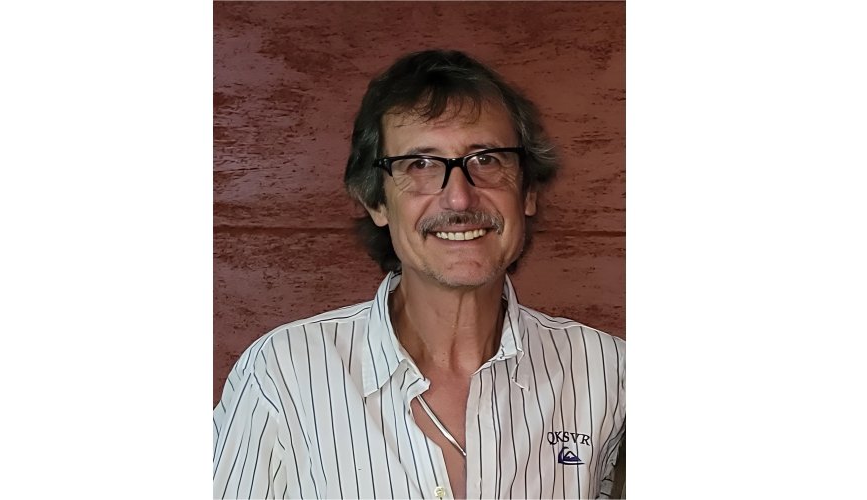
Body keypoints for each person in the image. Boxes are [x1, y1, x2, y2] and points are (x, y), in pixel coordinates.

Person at [213, 49, 625, 499]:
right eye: (421, 165)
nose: (460, 199)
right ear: (376, 202)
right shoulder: (282, 375)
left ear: (527, 191)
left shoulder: (609, 375)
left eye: (487, 160)